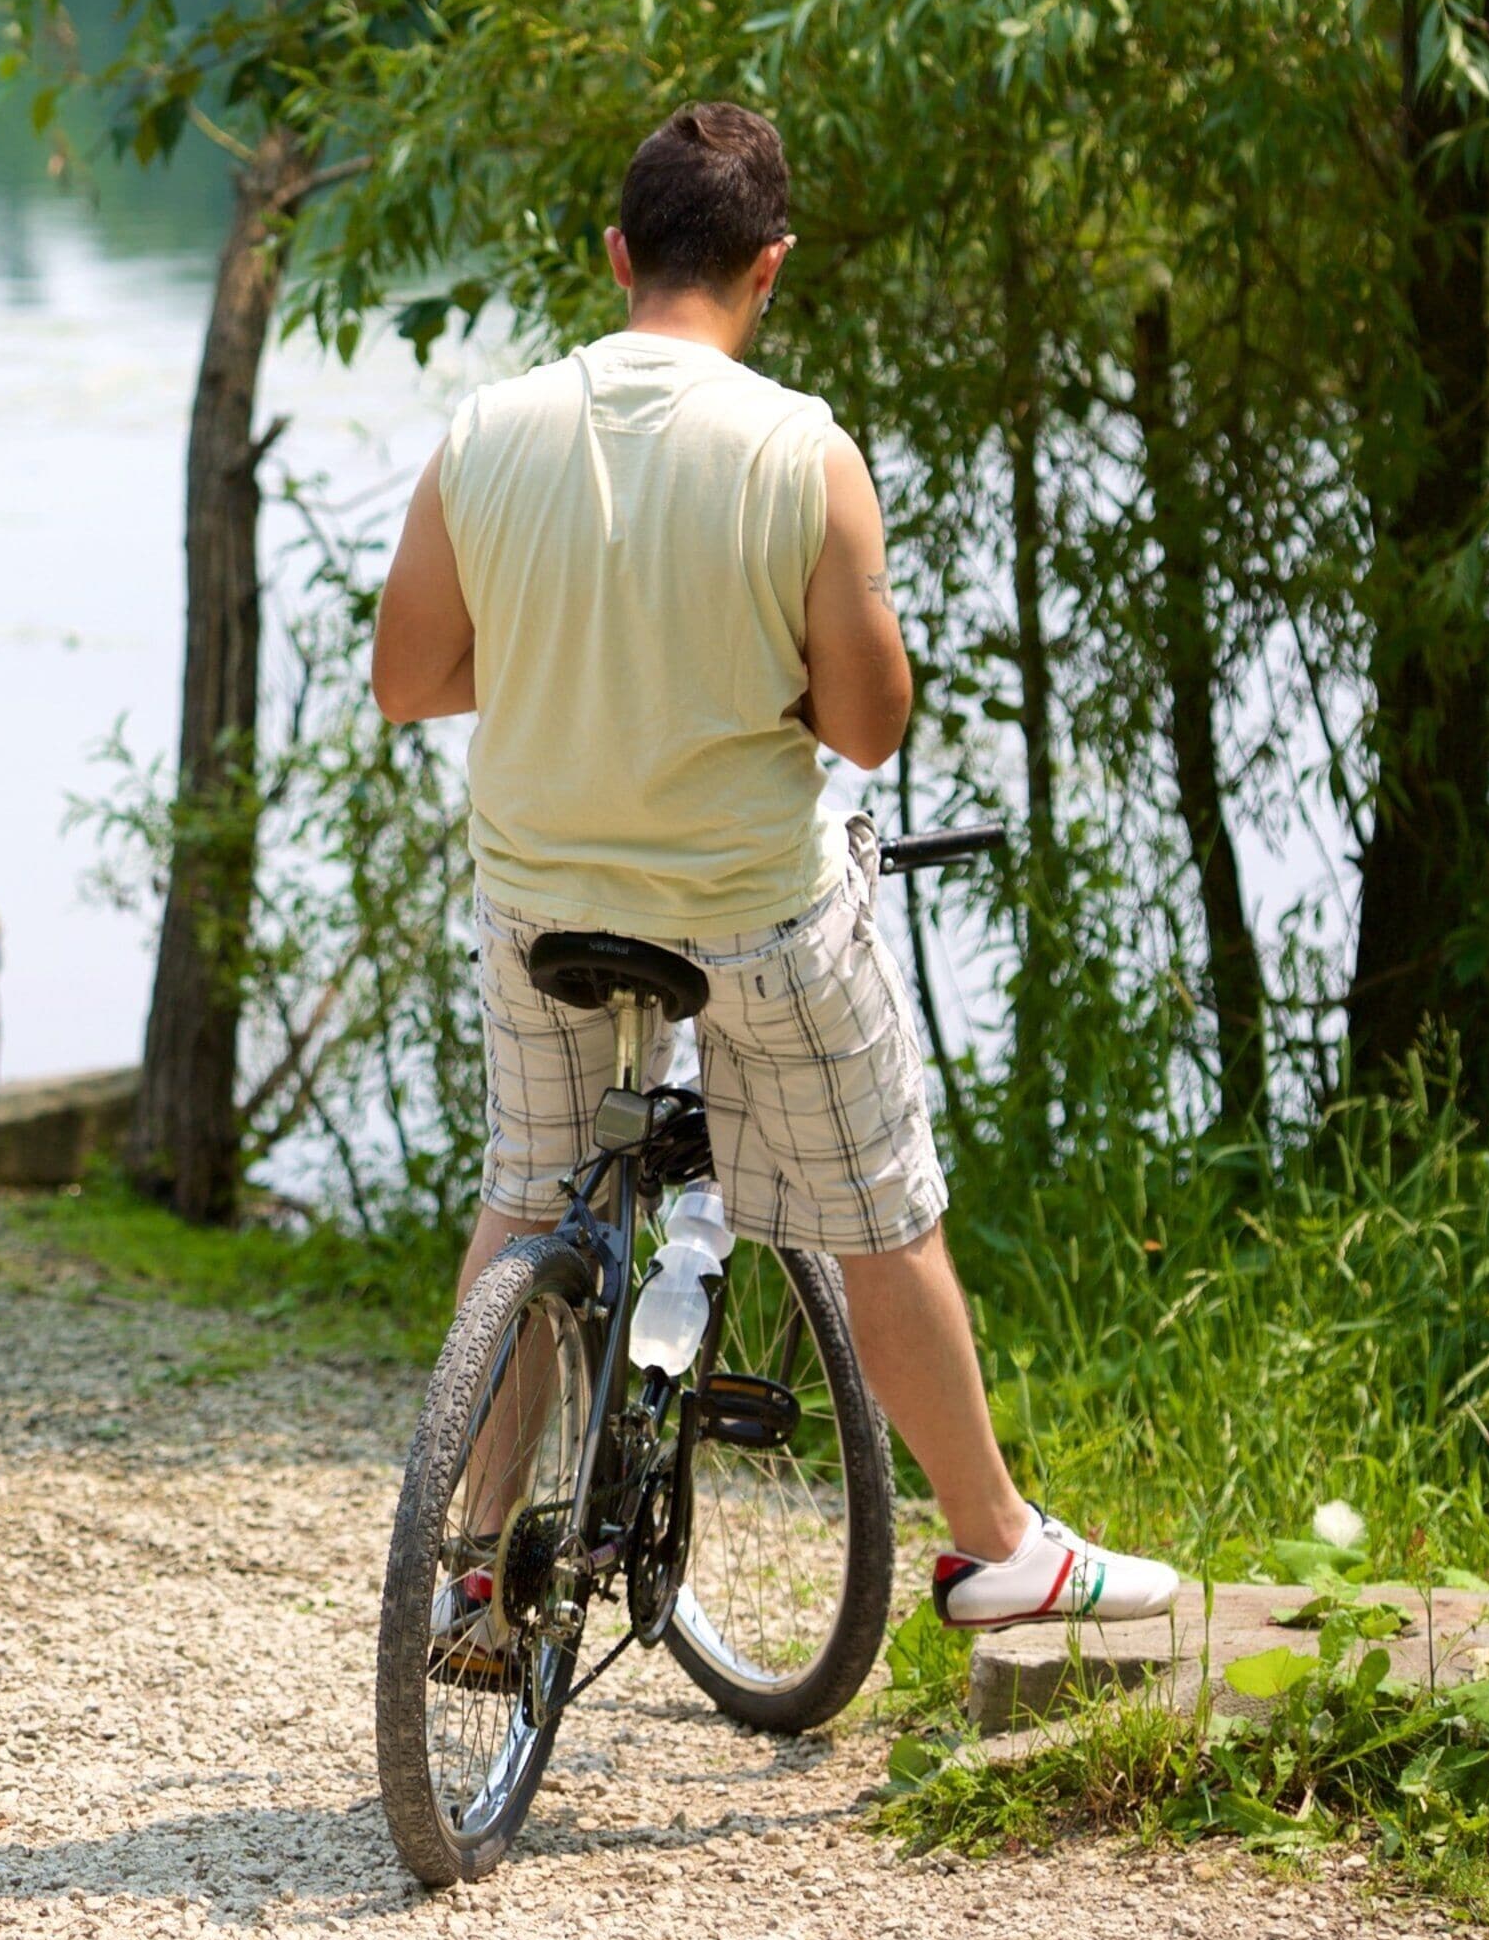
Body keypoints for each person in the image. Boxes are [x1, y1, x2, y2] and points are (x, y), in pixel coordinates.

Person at [367, 102, 1178, 1636]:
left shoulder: (488, 432)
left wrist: (567, 668)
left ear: (617, 256)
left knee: (527, 1197)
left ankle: (477, 1566)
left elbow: (409, 678)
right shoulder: (802, 452)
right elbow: (869, 724)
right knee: (879, 1210)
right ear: (772, 268)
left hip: (542, 911)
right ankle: (998, 1548)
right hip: (749, 916)